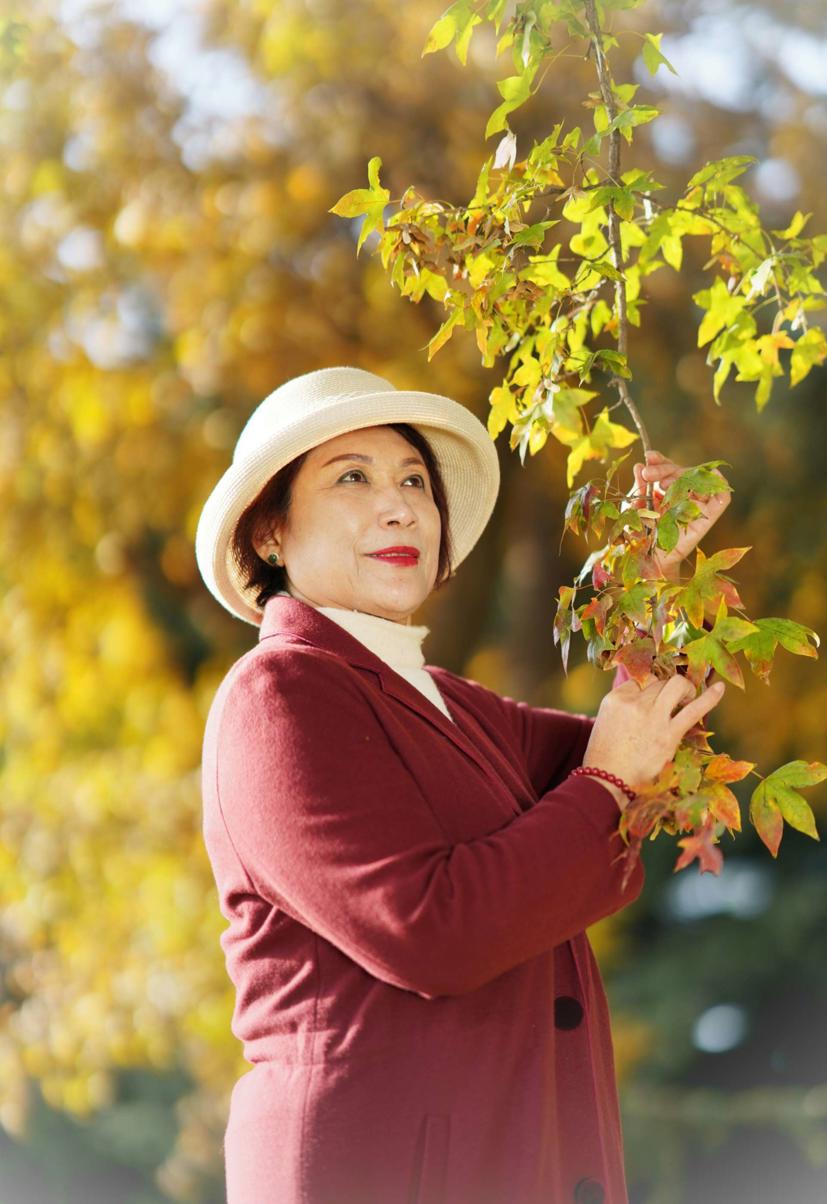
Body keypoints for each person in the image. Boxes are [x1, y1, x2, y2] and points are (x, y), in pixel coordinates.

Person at [195, 365, 728, 1204]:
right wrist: (609, 778)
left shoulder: (453, 706)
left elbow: (649, 758)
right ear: (270, 533)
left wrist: (654, 574)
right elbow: (428, 930)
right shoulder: (277, 697)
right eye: (352, 478)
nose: (400, 504)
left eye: (415, 480)